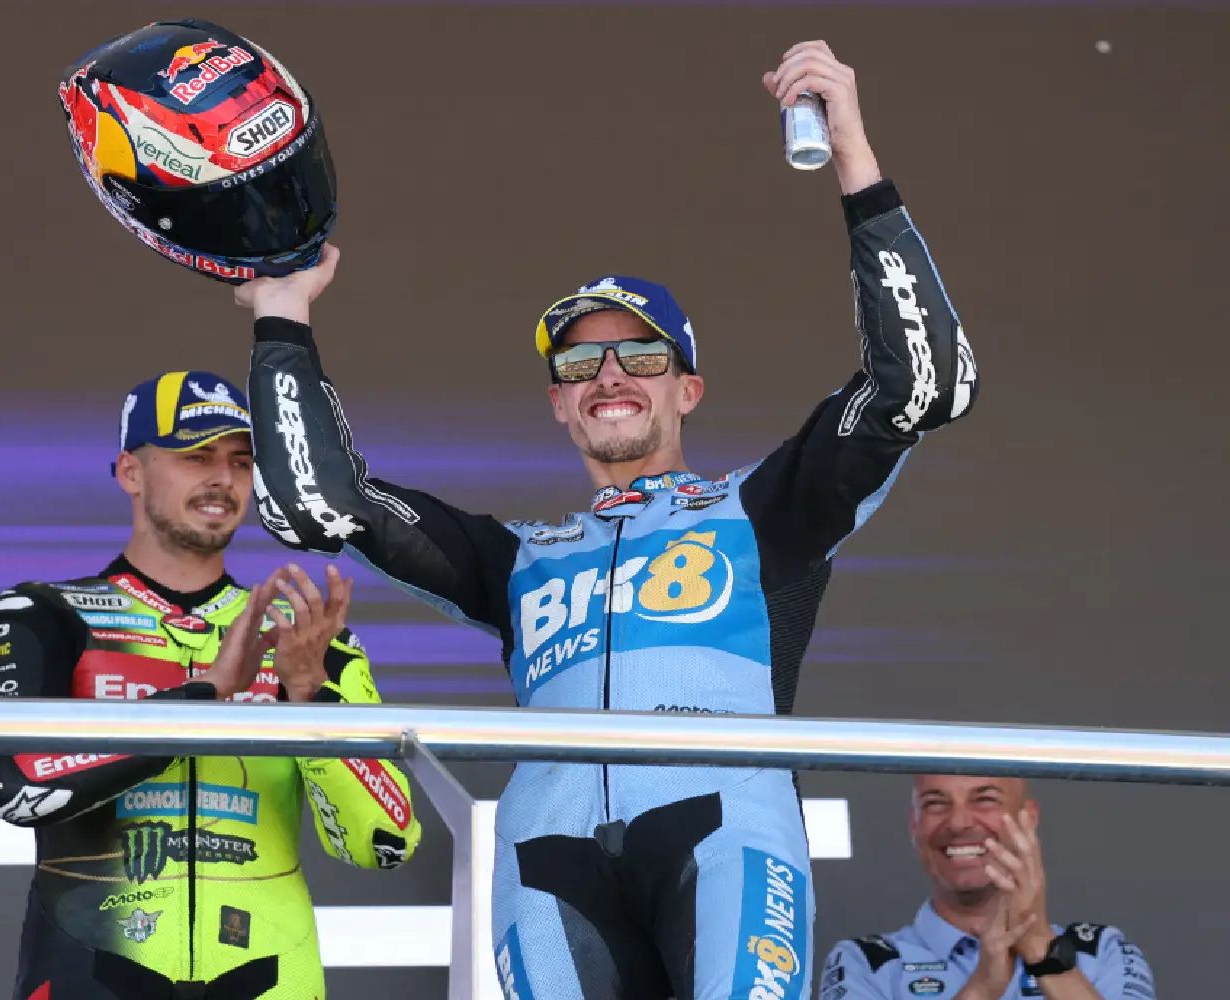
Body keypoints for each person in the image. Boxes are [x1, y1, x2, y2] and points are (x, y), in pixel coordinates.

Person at [236, 40, 977, 1000]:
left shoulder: (763, 509)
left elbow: (921, 383)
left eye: (640, 354)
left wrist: (854, 160)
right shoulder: (516, 559)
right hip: (549, 859)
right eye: (580, 365)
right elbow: (316, 503)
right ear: (560, 405)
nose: (611, 375)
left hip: (725, 833)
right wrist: (283, 315)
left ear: (689, 389)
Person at [0, 370, 420, 1000]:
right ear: (130, 471)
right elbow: (15, 785)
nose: (221, 479)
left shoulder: (307, 639)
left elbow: (384, 842)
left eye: (239, 461)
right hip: (89, 970)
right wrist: (205, 700)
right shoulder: (42, 615)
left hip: (271, 977)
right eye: (194, 456)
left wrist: (309, 700)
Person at [819, 775, 1156, 1000]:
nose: (959, 822)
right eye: (936, 803)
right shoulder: (864, 962)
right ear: (914, 825)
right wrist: (981, 989)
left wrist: (1041, 947)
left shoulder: (1101, 952)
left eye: (985, 800)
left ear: (1029, 817)